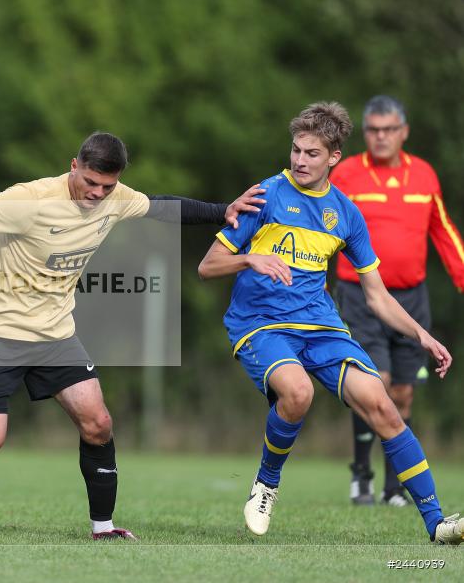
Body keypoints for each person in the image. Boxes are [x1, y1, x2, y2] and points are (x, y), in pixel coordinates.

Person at [0, 132, 265, 540]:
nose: (99, 193)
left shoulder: (114, 198)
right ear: (74, 166)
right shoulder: (30, 200)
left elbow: (159, 206)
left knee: (97, 422)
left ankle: (103, 529)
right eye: (91, 182)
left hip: (54, 333)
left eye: (108, 185)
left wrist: (221, 209)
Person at [197, 102, 463, 544]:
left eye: (312, 153)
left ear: (334, 157)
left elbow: (376, 295)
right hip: (261, 324)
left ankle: (436, 524)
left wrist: (422, 334)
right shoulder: (265, 195)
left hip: (321, 327)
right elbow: (208, 266)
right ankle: (266, 483)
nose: (300, 160)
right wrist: (251, 259)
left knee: (381, 403)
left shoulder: (346, 214)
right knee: (297, 393)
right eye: (296, 150)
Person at [330, 95, 464, 507]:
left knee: (403, 394)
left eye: (389, 129)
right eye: (373, 129)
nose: (381, 136)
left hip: (411, 298)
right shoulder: (347, 174)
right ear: (365, 132)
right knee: (377, 384)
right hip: (360, 295)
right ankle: (361, 475)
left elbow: (444, 232)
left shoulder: (423, 176)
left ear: (403, 132)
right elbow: (322, 226)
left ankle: (394, 486)